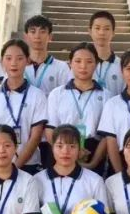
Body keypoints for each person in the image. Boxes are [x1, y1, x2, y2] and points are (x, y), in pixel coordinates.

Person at [0, 39, 47, 174]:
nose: (14, 63)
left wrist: (15, 168)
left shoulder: (37, 95)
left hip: (27, 165)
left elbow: (36, 137)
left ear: (27, 61)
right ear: (1, 61)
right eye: (8, 58)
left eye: (19, 58)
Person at [46, 43, 108, 171]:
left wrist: (93, 162)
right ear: (70, 64)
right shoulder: (57, 94)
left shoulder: (106, 95)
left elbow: (107, 136)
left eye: (89, 62)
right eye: (78, 61)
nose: (83, 66)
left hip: (92, 151)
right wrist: (65, 150)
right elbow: (50, 129)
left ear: (96, 64)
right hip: (62, 149)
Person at [23, 14, 71, 94]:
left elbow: (66, 96)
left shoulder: (62, 68)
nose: (37, 36)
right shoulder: (17, 65)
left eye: (42, 32)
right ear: (26, 37)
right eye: (33, 32)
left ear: (50, 37)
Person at [89, 11, 124, 98]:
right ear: (90, 31)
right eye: (97, 28)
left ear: (113, 32)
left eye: (106, 29)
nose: (101, 32)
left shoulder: (122, 65)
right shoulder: (81, 65)